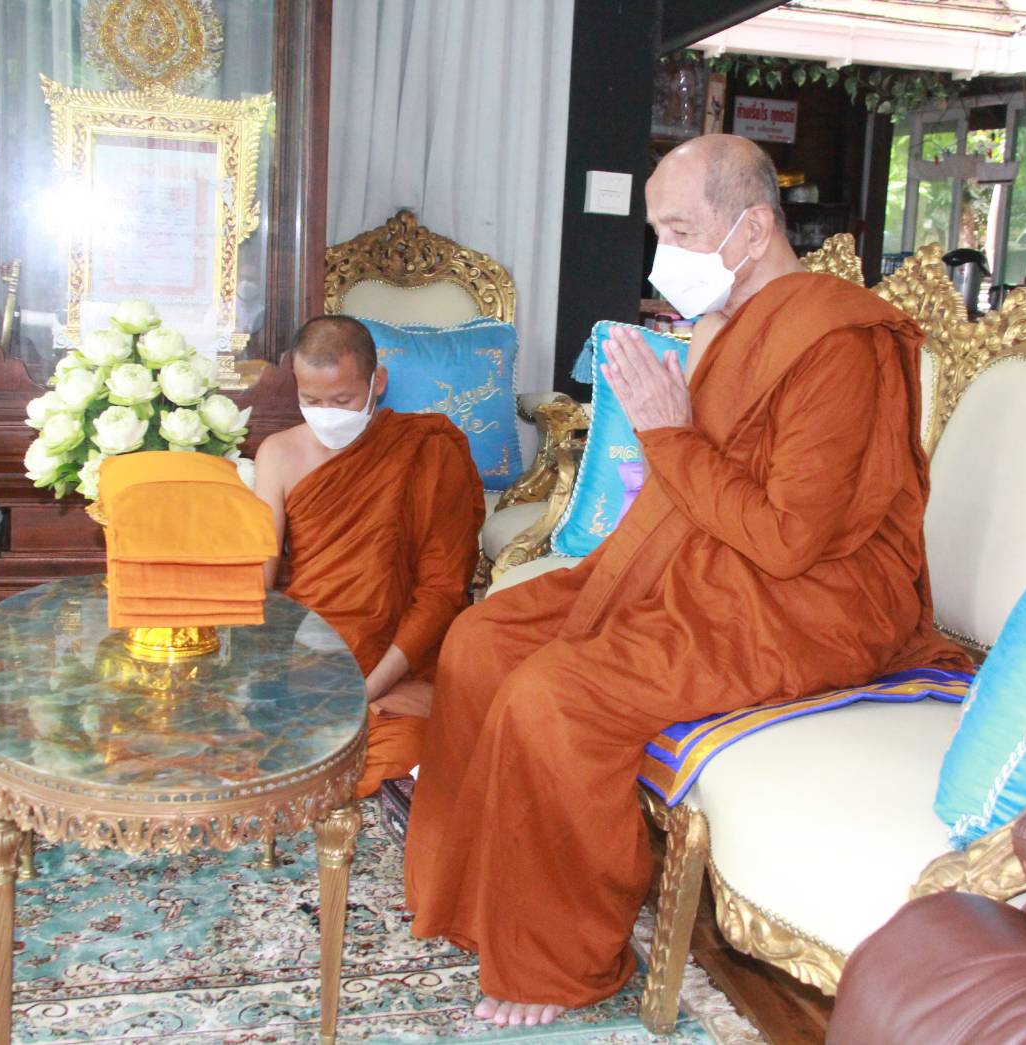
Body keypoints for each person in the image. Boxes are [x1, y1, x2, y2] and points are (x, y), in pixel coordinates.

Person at [403, 134, 971, 1027]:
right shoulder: (728, 325)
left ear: (753, 229)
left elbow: (787, 539)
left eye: (677, 230)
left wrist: (668, 430)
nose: (661, 254)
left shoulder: (839, 343)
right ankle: (484, 901)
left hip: (811, 603)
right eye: (657, 230)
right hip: (708, 560)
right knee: (481, 637)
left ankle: (559, 960)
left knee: (557, 696)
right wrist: (678, 416)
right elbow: (703, 488)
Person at [254, 316, 485, 798]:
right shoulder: (278, 453)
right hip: (313, 649)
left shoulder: (427, 449)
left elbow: (442, 591)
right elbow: (260, 584)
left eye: (342, 401)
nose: (327, 414)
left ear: (377, 382)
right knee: (248, 744)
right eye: (312, 400)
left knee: (404, 749)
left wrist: (367, 690)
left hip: (395, 658)